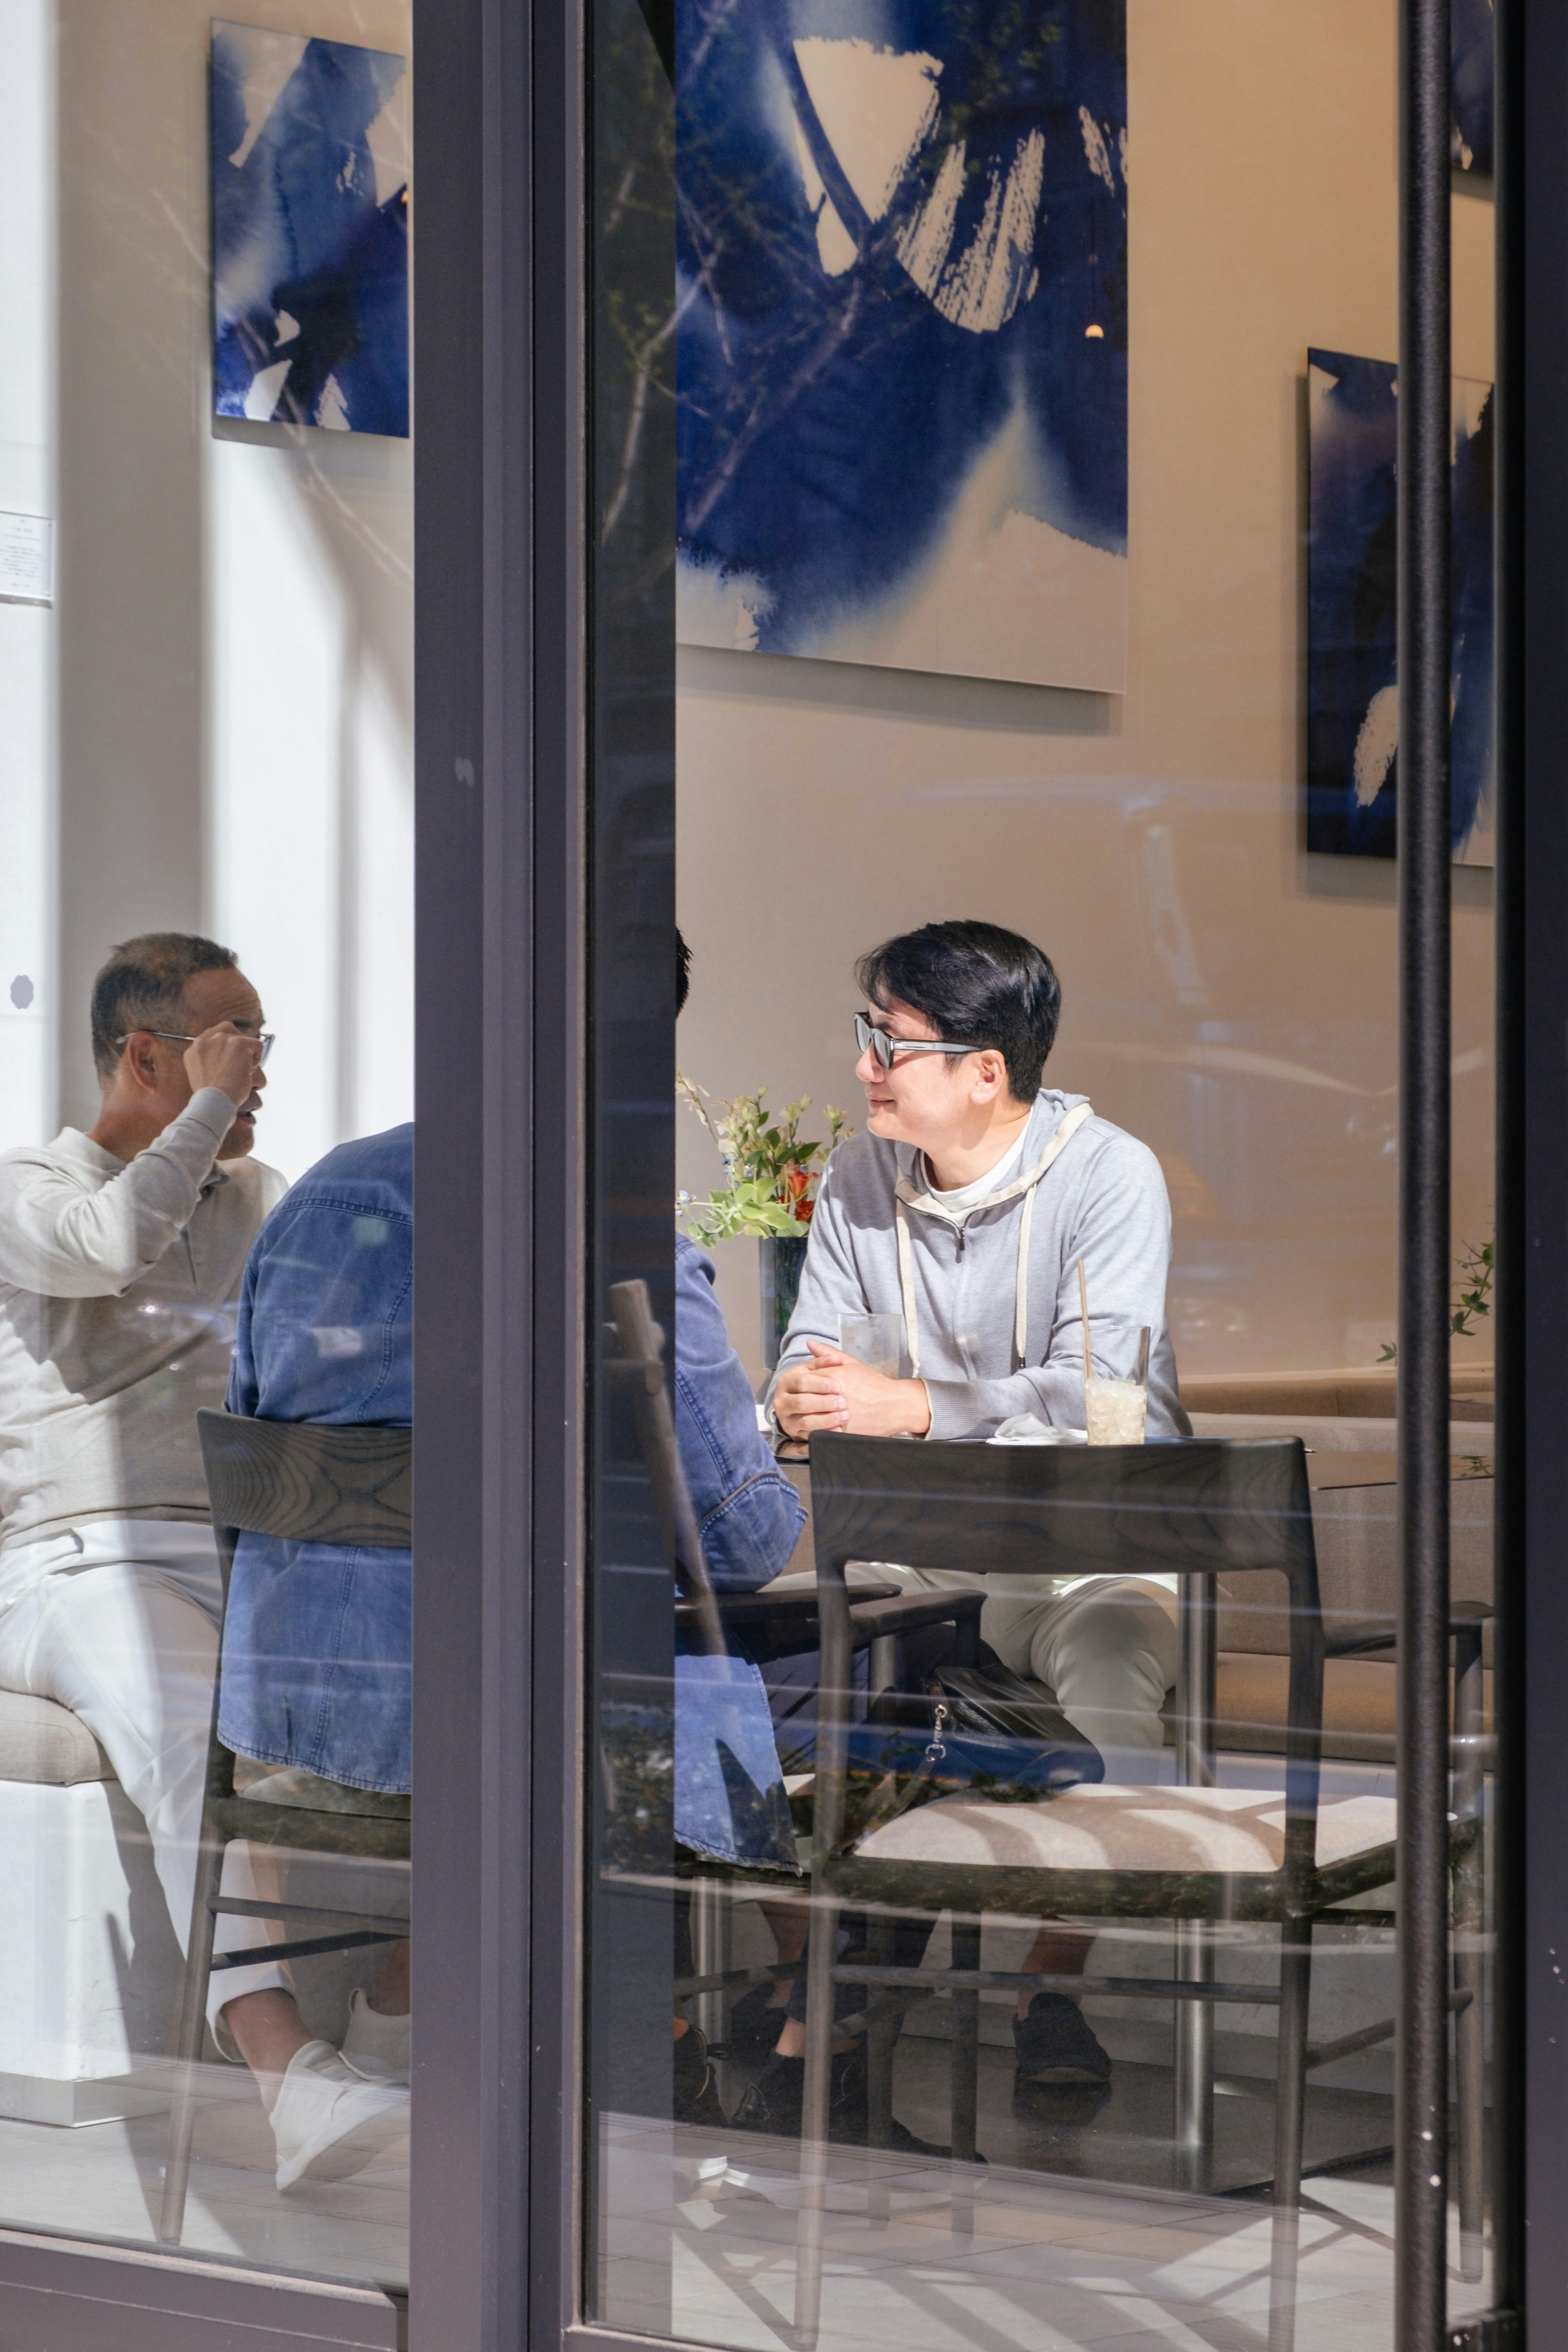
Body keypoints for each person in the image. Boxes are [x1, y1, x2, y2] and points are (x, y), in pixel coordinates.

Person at [763, 919, 1190, 2104]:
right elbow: (813, 1353)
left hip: (1090, 1552)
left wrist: (917, 1406)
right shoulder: (859, 1178)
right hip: (917, 1561)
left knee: (1113, 1714)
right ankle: (821, 2003)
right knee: (724, 1683)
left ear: (983, 1070)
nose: (862, 1068)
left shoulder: (1110, 1176)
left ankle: (1048, 1984)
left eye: (886, 1043)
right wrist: (795, 1391)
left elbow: (1105, 1405)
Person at [0, 935, 379, 2176]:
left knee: (442, 1675)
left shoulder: (257, 1199)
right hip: (71, 1563)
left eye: (263, 1044)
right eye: (233, 1044)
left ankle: (405, 2017)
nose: (259, 1072)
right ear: (145, 1055)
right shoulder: (28, 1189)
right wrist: (209, 1110)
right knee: (178, 1711)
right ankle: (287, 2071)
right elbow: (112, 1245)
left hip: (238, 1553)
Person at [218, 1121, 416, 2180]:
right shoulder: (560, 1203)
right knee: (594, 1729)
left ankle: (385, 2048)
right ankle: (398, 2019)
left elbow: (249, 1407)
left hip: (277, 1713)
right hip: (433, 1740)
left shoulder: (319, 1193)